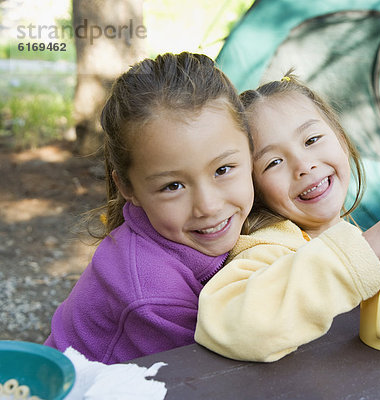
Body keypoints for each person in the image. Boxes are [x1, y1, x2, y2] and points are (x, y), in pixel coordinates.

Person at [194, 73, 380, 362]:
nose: (303, 165)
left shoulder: (350, 237)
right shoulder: (267, 247)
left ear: (341, 138)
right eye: (274, 162)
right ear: (254, 187)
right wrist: (363, 255)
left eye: (312, 139)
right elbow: (233, 325)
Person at [44, 52, 254, 364]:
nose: (208, 206)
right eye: (173, 186)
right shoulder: (151, 294)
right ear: (128, 188)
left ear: (251, 151)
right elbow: (212, 379)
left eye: (222, 170)